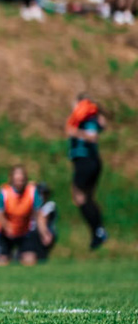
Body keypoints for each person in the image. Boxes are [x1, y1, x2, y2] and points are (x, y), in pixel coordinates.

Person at [66, 92, 109, 250]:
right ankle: (98, 230)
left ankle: (98, 230)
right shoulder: (89, 117)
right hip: (88, 161)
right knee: (86, 197)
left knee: (79, 196)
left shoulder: (87, 118)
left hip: (87, 161)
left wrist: (75, 133)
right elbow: (102, 124)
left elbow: (93, 136)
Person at [0, 166, 51, 266]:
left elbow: (38, 215)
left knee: (30, 261)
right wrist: (7, 227)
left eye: (22, 180)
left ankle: (18, 256)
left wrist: (44, 232)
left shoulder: (32, 192)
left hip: (24, 232)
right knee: (2, 263)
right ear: (12, 179)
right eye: (17, 180)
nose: (19, 182)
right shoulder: (4, 192)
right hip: (6, 233)